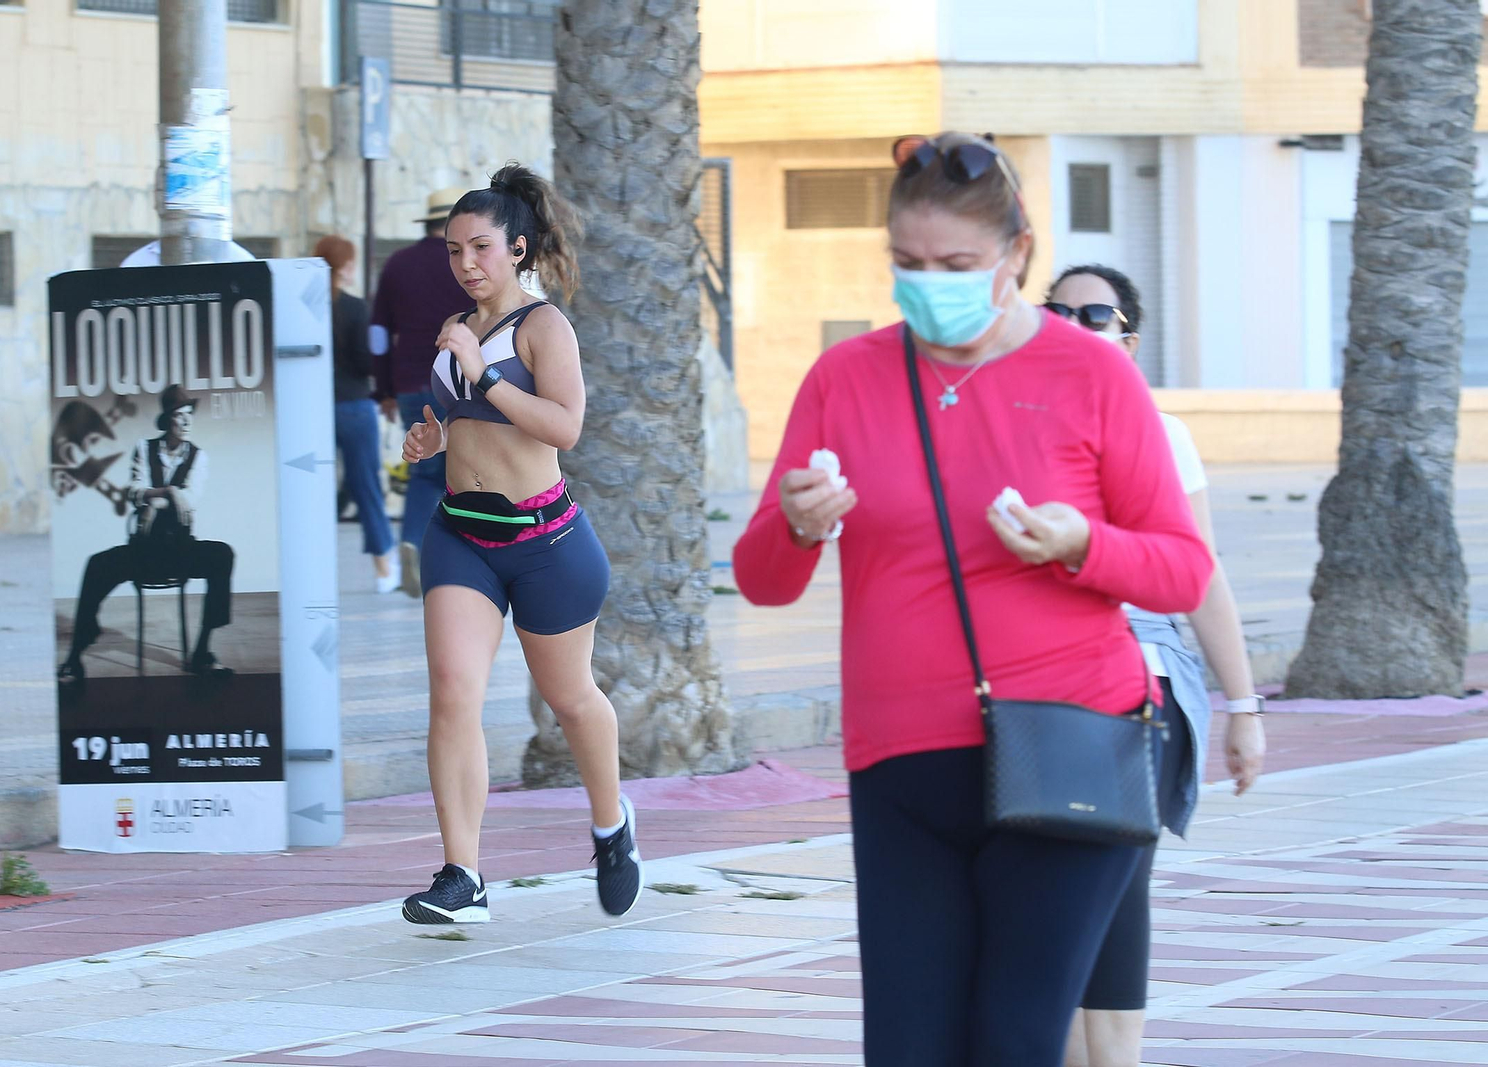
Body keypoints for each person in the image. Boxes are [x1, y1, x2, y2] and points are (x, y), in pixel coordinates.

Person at [732, 133, 1214, 1065]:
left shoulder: (1093, 374)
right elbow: (763, 579)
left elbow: (1182, 571)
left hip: (1066, 749)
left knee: (1013, 1041)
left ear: (1016, 254)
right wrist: (795, 523)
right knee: (908, 1048)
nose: (929, 284)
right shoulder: (846, 376)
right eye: (907, 264)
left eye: (956, 265)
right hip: (902, 765)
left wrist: (1082, 545)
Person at [397, 162, 641, 925]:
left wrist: (485, 377)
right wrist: (433, 439)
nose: (466, 263)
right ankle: (462, 875)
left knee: (570, 698)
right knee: (452, 689)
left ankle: (611, 826)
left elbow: (565, 426)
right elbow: (465, 421)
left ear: (518, 248)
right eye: (454, 250)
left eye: (480, 247)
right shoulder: (456, 329)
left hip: (546, 542)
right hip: (461, 534)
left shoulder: (543, 327)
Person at [1045, 264, 1267, 1067]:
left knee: (1111, 878)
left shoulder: (1161, 432)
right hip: (1032, 677)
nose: (1074, 324)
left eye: (1095, 315)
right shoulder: (1007, 422)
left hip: (1141, 674)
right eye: (1058, 310)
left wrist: (1244, 706)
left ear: (1128, 340)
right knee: (1051, 887)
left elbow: (1200, 574)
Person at [57, 384, 236, 682]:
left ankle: (203, 651)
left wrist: (156, 500)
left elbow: (189, 500)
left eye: (189, 415)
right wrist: (167, 492)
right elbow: (133, 491)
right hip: (144, 551)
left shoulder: (199, 457)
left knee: (222, 554)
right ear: (168, 420)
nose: (187, 421)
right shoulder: (144, 448)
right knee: (96, 565)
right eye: (180, 416)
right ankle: (75, 656)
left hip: (180, 551)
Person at [371, 186, 475, 598]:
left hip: (408, 382)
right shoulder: (469, 265)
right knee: (460, 467)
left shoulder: (398, 263)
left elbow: (378, 333)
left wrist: (384, 388)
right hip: (456, 381)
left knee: (424, 469)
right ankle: (455, 557)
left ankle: (413, 540)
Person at [316, 234, 399, 594]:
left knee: (311, 491)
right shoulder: (355, 308)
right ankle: (383, 570)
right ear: (345, 267)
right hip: (353, 406)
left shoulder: (303, 307)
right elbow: (367, 362)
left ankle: (312, 571)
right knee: (367, 487)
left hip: (313, 411)